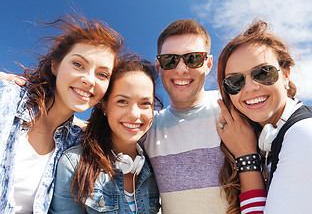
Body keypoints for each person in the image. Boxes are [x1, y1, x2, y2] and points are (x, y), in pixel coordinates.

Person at [0, 14, 123, 214]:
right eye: (78, 64)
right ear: (55, 65)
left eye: (102, 74)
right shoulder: (7, 98)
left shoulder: (76, 142)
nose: (89, 80)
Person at [217, 20, 312, 214]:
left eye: (262, 73)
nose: (250, 88)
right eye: (235, 81)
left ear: (286, 74)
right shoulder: (273, 138)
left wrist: (246, 157)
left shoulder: (302, 134)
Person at [49, 54, 162, 214]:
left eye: (145, 103)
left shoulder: (155, 166)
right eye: (122, 101)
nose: (135, 114)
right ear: (105, 106)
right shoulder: (73, 165)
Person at [141, 19, 229, 213]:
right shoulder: (146, 127)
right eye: (170, 60)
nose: (181, 69)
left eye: (193, 58)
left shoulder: (233, 109)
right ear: (158, 66)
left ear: (208, 63)